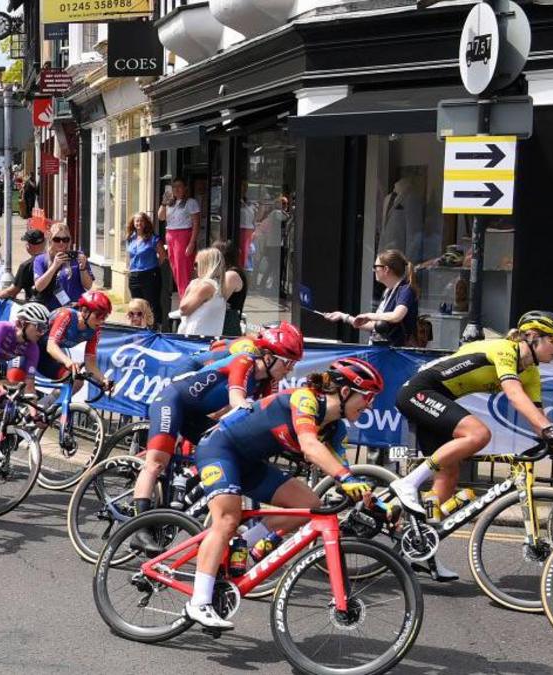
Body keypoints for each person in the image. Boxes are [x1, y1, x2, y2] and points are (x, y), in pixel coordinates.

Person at [185, 357, 384, 628]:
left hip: (250, 463)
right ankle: (198, 603)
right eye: (368, 397)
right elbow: (310, 447)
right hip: (219, 450)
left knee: (309, 503)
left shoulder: (335, 428)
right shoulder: (305, 399)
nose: (369, 405)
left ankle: (243, 543)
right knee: (227, 519)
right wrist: (346, 478)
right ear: (346, 391)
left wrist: (378, 504)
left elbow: (343, 471)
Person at [389, 311, 553, 581]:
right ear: (532, 337)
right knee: (478, 434)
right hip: (419, 391)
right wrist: (549, 431)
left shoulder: (531, 373)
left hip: (438, 397)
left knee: (449, 476)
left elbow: (537, 417)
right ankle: (408, 484)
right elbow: (514, 395)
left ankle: (419, 550)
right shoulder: (505, 350)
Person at [129, 324, 304, 552]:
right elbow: (237, 399)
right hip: (173, 401)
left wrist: (292, 445)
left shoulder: (267, 382)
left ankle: (184, 491)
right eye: (288, 363)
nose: (290, 370)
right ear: (269, 357)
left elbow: (268, 416)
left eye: (294, 364)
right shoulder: (245, 361)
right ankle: (139, 530)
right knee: (156, 463)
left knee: (224, 449)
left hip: (195, 415)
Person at [323, 249, 419, 347]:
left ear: (386, 269)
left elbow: (396, 316)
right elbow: (374, 325)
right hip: (383, 350)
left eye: (375, 267)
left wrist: (369, 316)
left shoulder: (405, 290)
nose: (374, 270)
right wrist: (343, 317)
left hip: (397, 352)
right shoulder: (388, 292)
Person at [37, 290, 112, 389]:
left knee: (76, 381)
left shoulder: (95, 331)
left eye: (105, 317)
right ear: (85, 311)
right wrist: (68, 362)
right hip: (29, 348)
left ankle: (52, 400)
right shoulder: (67, 315)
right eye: (99, 316)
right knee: (28, 391)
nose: (102, 321)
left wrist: (104, 380)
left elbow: (90, 365)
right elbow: (51, 346)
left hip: (45, 357)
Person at [32, 223, 93, 310]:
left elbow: (88, 286)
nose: (61, 243)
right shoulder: (41, 259)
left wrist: (83, 268)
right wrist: (54, 266)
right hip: (53, 311)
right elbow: (39, 287)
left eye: (65, 239)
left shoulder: (77, 256)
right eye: (57, 239)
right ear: (50, 239)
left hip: (75, 310)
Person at [157, 178, 201, 298]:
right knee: (175, 268)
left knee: (183, 269)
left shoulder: (190, 202)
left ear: (185, 188)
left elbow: (196, 223)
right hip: (170, 235)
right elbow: (161, 217)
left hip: (183, 236)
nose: (176, 189)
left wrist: (192, 243)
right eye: (174, 187)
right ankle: (184, 296)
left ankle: (186, 298)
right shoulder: (170, 203)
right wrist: (164, 203)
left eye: (179, 186)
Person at [175, 248, 228, 337]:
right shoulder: (218, 285)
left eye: (196, 264)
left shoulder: (206, 285)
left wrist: (192, 287)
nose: (194, 268)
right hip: (207, 337)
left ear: (206, 265)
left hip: (195, 338)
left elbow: (184, 308)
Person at [126, 212, 166, 324]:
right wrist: (128, 268)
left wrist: (153, 266)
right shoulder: (131, 238)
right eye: (137, 221)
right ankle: (138, 326)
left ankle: (154, 327)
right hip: (134, 275)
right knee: (136, 304)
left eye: (141, 221)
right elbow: (129, 256)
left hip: (150, 275)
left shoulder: (153, 238)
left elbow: (163, 256)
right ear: (133, 223)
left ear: (146, 223)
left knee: (152, 303)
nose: (139, 223)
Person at [0, 229, 44, 301]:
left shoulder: (26, 266)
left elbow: (12, 292)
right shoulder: (53, 259)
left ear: (29, 245)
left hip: (36, 305)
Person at [215, 240, 248, 337]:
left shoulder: (231, 275)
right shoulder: (226, 273)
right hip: (222, 325)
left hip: (227, 328)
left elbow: (218, 300)